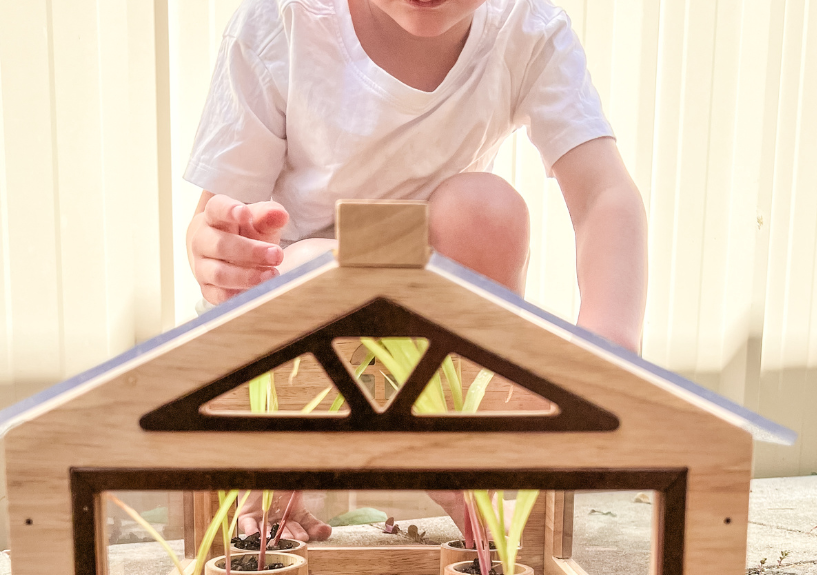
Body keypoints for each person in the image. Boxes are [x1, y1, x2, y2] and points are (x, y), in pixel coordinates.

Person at [185, 0, 648, 540]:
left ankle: (462, 462)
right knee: (313, 269)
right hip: (299, 315)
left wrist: (608, 348)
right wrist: (216, 252)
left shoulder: (526, 27)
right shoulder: (280, 20)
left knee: (485, 211)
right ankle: (271, 484)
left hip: (429, 316)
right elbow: (219, 222)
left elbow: (602, 193)